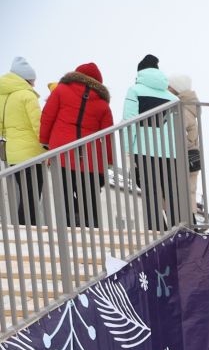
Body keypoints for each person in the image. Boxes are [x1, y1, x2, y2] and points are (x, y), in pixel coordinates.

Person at [37, 63, 112, 228]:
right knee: (90, 199)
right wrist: (109, 160)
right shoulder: (103, 104)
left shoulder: (61, 90)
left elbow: (47, 116)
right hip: (91, 160)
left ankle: (70, 231)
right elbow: (108, 135)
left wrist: (44, 140)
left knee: (64, 196)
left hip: (61, 154)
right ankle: (92, 233)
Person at [122, 54, 176, 230]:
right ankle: (178, 229)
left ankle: (157, 230)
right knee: (171, 192)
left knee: (150, 192)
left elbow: (129, 121)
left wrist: (128, 149)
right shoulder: (173, 98)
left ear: (140, 73)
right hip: (170, 152)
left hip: (144, 150)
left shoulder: (135, 90)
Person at [3, 57, 45, 223]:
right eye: (32, 80)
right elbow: (38, 124)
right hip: (31, 154)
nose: (34, 84)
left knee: (26, 194)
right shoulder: (27, 96)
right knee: (33, 194)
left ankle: (23, 229)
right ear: (26, 79)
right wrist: (46, 146)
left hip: (13, 154)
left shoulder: (5, 97)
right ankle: (29, 229)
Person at [167, 72, 202, 223]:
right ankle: (190, 225)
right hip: (192, 156)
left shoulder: (180, 109)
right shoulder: (190, 107)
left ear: (176, 89)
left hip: (183, 157)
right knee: (189, 193)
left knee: (180, 194)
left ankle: (188, 227)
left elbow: (182, 134)